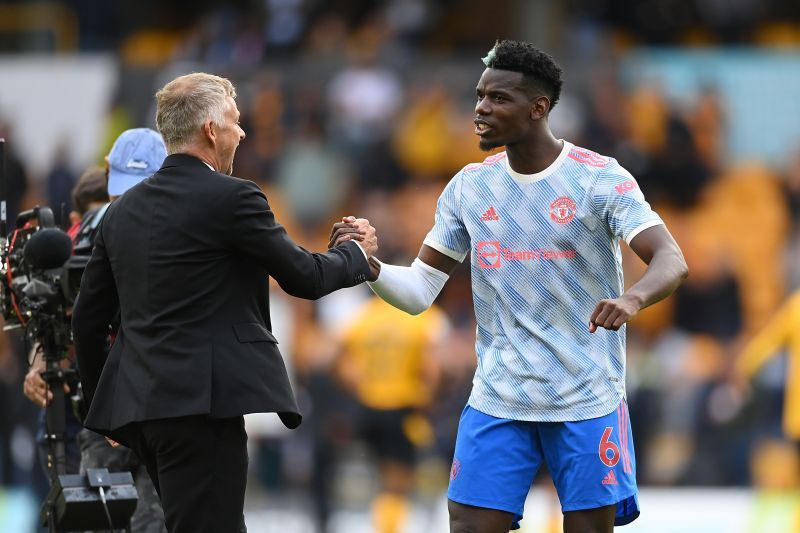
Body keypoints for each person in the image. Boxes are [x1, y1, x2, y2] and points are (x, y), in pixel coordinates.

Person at [331, 40, 688, 533]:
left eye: (498, 98)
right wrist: (369, 267)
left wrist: (634, 297)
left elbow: (671, 259)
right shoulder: (469, 188)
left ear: (538, 108)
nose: (480, 109)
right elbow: (417, 293)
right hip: (498, 400)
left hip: (586, 401)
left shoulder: (599, 179)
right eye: (479, 96)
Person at [72, 72, 377, 533]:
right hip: (203, 410)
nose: (243, 132)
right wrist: (355, 255)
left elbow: (86, 321)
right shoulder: (234, 198)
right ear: (211, 130)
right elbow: (303, 277)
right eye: (235, 121)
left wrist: (104, 412)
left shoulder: (121, 212)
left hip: (144, 411)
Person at [25, 130, 170, 533]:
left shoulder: (185, 235)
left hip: (164, 410)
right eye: (122, 187)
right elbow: (49, 306)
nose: (127, 199)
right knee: (93, 522)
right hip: (99, 413)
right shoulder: (82, 235)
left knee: (155, 524)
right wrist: (39, 362)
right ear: (108, 174)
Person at [334, 296, 447, 533]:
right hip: (401, 407)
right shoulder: (421, 315)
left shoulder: (362, 315)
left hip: (367, 408)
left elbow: (344, 367)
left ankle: (383, 524)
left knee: (381, 479)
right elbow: (432, 367)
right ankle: (389, 528)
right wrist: (427, 398)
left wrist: (360, 390)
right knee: (399, 482)